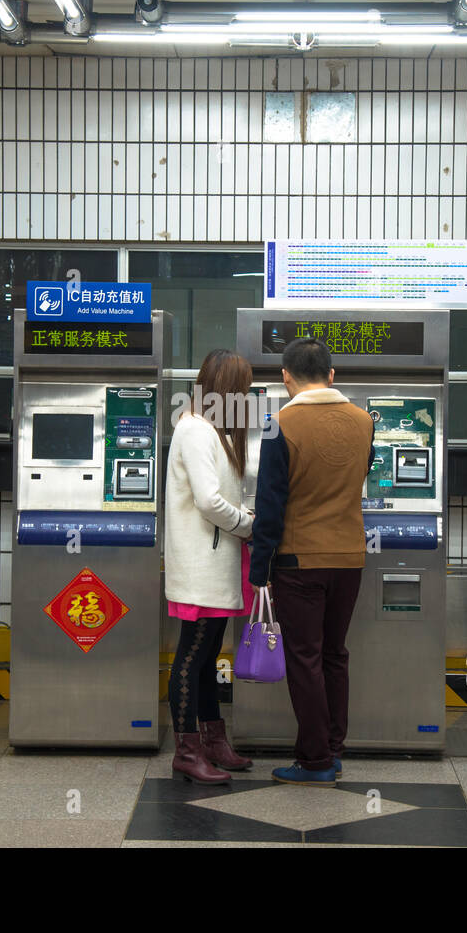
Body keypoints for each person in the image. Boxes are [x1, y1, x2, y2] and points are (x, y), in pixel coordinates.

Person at [248, 337, 374, 787]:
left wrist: (259, 569)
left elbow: (270, 504)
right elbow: (362, 473)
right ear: (332, 374)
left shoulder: (279, 423)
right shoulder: (364, 422)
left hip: (298, 560)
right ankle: (333, 750)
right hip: (349, 557)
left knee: (305, 658)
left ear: (286, 378)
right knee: (335, 653)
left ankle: (315, 759)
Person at [163, 349, 257, 784]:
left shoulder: (211, 430)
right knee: (191, 657)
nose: (249, 395)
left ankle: (213, 741)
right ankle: (187, 750)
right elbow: (208, 501)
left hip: (216, 560)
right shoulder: (197, 430)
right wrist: (246, 525)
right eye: (245, 388)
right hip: (202, 562)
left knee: (205, 658)